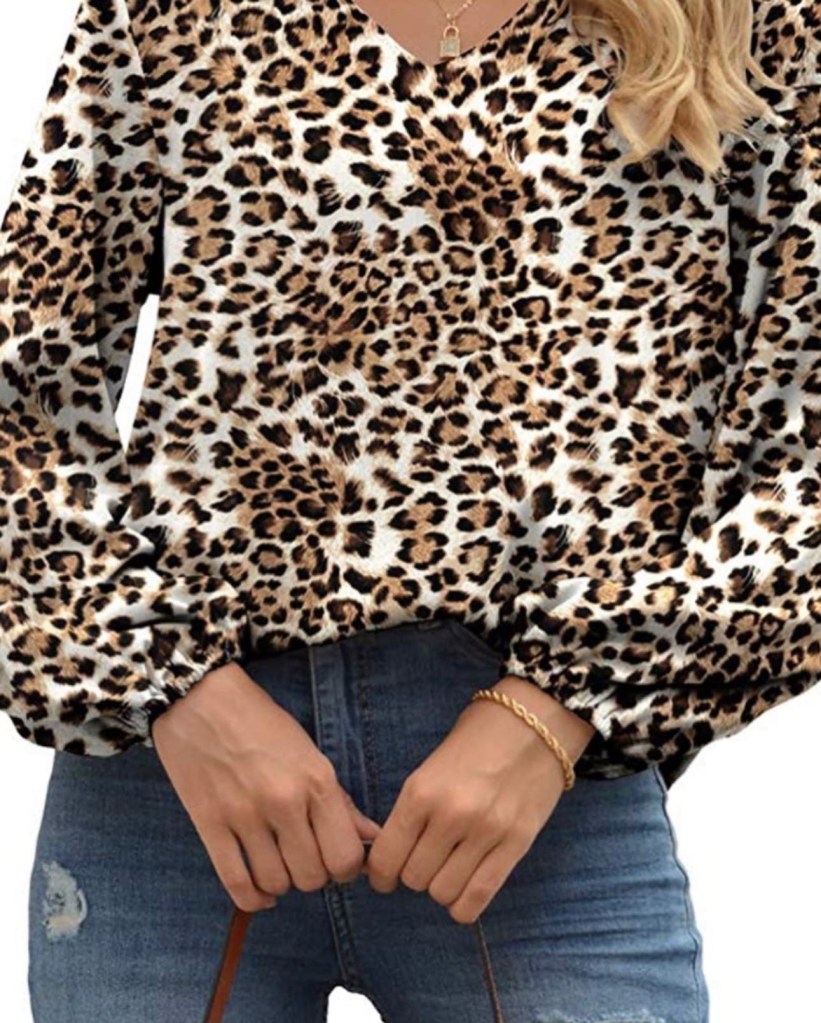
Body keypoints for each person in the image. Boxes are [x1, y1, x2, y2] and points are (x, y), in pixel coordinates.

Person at [1, 0, 817, 1019]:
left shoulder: (751, 19)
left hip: (540, 809)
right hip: (181, 791)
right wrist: (171, 686)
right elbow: (22, 385)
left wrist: (558, 709)